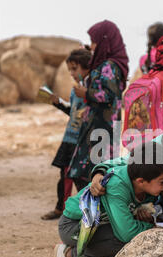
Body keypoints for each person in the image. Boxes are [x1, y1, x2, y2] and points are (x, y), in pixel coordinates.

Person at [53, 141, 163, 257]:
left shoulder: (144, 179)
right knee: (126, 239)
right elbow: (126, 233)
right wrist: (154, 227)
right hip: (72, 226)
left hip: (99, 225)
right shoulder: (117, 186)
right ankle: (68, 255)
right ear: (141, 181)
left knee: (127, 229)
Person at [67, 20, 129, 186]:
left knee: (93, 174)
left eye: (95, 41)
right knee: (84, 173)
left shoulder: (109, 66)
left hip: (102, 128)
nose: (92, 46)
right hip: (97, 126)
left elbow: (110, 95)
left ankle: (93, 211)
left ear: (105, 41)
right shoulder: (105, 64)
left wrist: (86, 93)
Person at [41, 49, 92, 220]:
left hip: (82, 142)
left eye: (74, 69)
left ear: (86, 67)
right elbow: (74, 113)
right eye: (69, 69)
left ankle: (86, 209)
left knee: (81, 178)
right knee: (64, 176)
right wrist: (58, 104)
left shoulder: (92, 91)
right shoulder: (75, 91)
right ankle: (60, 208)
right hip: (69, 139)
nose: (71, 73)